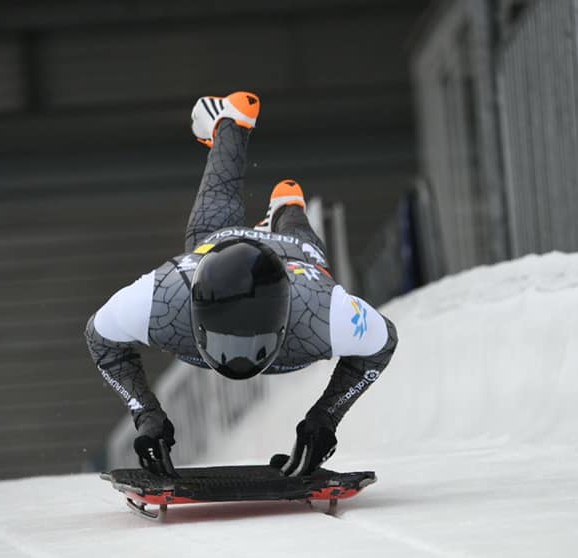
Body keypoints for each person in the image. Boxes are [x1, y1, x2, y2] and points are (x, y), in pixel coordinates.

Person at [85, 91, 398, 477]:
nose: (239, 358)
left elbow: (383, 343)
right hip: (218, 248)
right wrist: (147, 415)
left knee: (305, 254)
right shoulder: (162, 298)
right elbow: (100, 339)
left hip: (291, 260)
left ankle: (282, 197)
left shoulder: (321, 311)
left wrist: (325, 418)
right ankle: (263, 170)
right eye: (227, 340)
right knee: (240, 237)